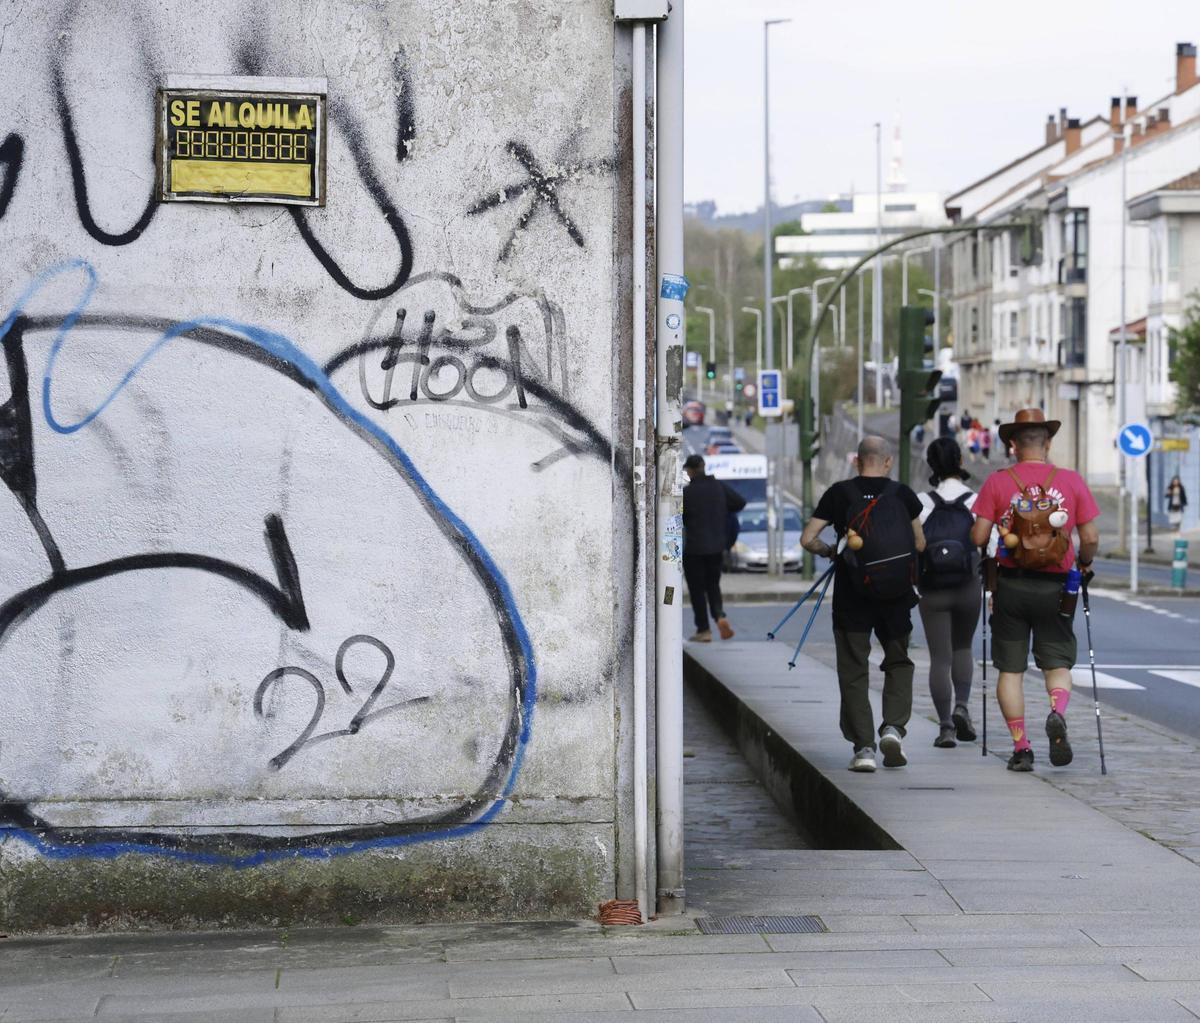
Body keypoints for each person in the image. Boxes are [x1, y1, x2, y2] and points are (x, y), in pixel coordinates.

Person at [969, 409, 1100, 772]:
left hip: (1010, 586)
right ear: (1048, 443)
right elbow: (1089, 538)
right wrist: (1084, 563)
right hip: (1058, 588)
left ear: (1012, 445)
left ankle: (1021, 747)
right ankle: (1056, 711)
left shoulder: (997, 481)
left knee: (1010, 670)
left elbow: (979, 537)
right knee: (1057, 662)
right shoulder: (1071, 481)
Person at [800, 437, 927, 773]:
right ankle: (893, 729)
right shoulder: (903, 495)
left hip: (852, 595)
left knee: (854, 669)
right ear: (887, 462)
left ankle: (864, 748)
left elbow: (807, 538)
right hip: (896, 596)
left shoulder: (839, 494)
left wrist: (831, 551)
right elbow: (919, 542)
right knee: (898, 661)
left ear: (858, 461)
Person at [916, 439, 981, 749]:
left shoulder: (921, 503)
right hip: (968, 587)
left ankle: (945, 728)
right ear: (960, 461)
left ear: (931, 465)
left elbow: (914, 546)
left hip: (932, 590)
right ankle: (963, 706)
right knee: (963, 648)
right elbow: (989, 546)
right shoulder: (975, 501)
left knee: (939, 658)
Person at [682, 454, 745, 643]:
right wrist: (721, 511)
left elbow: (676, 518)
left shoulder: (687, 493)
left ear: (690, 471)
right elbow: (740, 502)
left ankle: (704, 630)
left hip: (694, 549)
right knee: (713, 586)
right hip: (717, 548)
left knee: (697, 590)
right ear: (704, 467)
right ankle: (720, 616)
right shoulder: (719, 488)